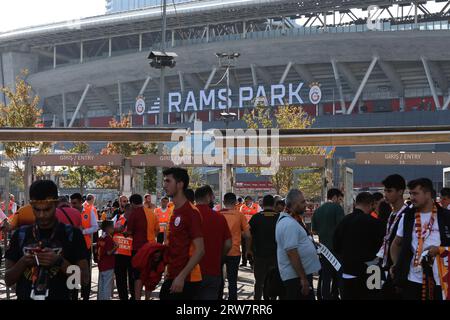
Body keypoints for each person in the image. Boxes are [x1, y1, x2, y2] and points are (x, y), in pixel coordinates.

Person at [5, 180, 89, 300]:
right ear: (31, 206)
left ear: (56, 204)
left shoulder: (73, 235)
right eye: (37, 210)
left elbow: (83, 279)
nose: (42, 215)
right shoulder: (20, 235)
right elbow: (8, 280)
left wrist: (59, 261)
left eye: (47, 209)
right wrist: (24, 262)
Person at [391, 178, 450, 300]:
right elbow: (396, 244)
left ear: (428, 194)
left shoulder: (446, 216)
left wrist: (439, 250)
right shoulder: (408, 217)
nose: (412, 197)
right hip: (412, 279)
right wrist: (397, 264)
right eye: (411, 193)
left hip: (441, 280)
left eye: (415, 193)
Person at [159, 167, 205, 300]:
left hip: (188, 279)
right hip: (174, 275)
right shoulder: (174, 210)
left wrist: (181, 277)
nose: (164, 185)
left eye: (168, 181)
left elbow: (200, 250)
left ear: (180, 184)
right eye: (164, 181)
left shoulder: (191, 212)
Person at [333, 192, 385, 300]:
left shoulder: (344, 221)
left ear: (356, 203)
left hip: (347, 272)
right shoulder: (374, 222)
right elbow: (381, 247)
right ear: (371, 204)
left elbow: (336, 245)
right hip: (370, 273)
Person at [276, 189, 320, 300]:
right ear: (294, 204)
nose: (305, 205)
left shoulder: (293, 220)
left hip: (298, 276)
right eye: (302, 202)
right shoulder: (289, 223)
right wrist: (303, 279)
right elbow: (291, 252)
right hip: (295, 278)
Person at [195, 185, 232, 300]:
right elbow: (228, 244)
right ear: (208, 197)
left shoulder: (188, 216)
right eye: (212, 196)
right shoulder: (219, 218)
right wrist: (220, 257)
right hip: (213, 270)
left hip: (191, 272)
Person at [376, 174, 409, 300]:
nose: (386, 194)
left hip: (400, 271)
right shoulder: (392, 214)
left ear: (400, 191)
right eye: (385, 190)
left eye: (389, 191)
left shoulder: (408, 214)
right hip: (388, 267)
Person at [311, 188, 344, 300]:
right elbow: (342, 228)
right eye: (340, 199)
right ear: (334, 197)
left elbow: (314, 231)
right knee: (340, 276)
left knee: (326, 277)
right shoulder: (337, 208)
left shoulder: (318, 210)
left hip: (324, 250)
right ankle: (339, 295)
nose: (340, 201)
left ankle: (325, 297)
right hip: (337, 249)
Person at [219, 192, 251, 300]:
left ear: (223, 202)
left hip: (219, 252)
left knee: (219, 280)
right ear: (235, 203)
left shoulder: (218, 214)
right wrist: (248, 250)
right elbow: (247, 235)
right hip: (234, 251)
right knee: (232, 281)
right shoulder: (240, 215)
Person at [248, 194, 279, 300]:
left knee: (259, 282)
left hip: (259, 256)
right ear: (274, 204)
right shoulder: (279, 217)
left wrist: (248, 250)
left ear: (262, 204)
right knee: (273, 281)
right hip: (276, 256)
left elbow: (249, 235)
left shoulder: (256, 217)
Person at [125, 194, 149, 300]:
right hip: (149, 247)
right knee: (148, 273)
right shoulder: (150, 212)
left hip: (137, 248)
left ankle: (137, 297)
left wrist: (123, 231)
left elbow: (129, 231)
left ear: (133, 203)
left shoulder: (134, 214)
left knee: (137, 275)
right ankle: (147, 297)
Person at [113, 203, 135, 300]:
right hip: (119, 253)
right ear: (126, 210)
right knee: (120, 278)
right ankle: (123, 297)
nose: (132, 213)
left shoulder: (136, 221)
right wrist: (116, 229)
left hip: (131, 253)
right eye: (131, 211)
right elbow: (107, 230)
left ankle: (133, 296)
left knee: (132, 278)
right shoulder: (117, 218)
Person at [80, 194, 99, 300]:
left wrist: (83, 231)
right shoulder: (72, 212)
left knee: (86, 270)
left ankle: (85, 294)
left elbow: (95, 226)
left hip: (86, 245)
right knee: (74, 270)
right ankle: (74, 293)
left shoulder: (89, 210)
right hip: (74, 246)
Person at [97, 220, 118, 300]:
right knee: (107, 286)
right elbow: (109, 252)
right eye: (112, 227)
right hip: (108, 264)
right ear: (108, 228)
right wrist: (115, 247)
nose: (113, 229)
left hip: (101, 264)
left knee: (102, 285)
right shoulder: (108, 238)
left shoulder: (101, 237)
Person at [239, 195, 260, 267]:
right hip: (244, 228)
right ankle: (244, 262)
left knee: (252, 246)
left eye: (247, 201)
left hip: (253, 229)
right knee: (243, 245)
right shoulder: (242, 207)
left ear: (251, 200)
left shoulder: (257, 207)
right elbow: (240, 217)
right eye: (245, 201)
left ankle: (251, 262)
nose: (246, 202)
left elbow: (259, 216)